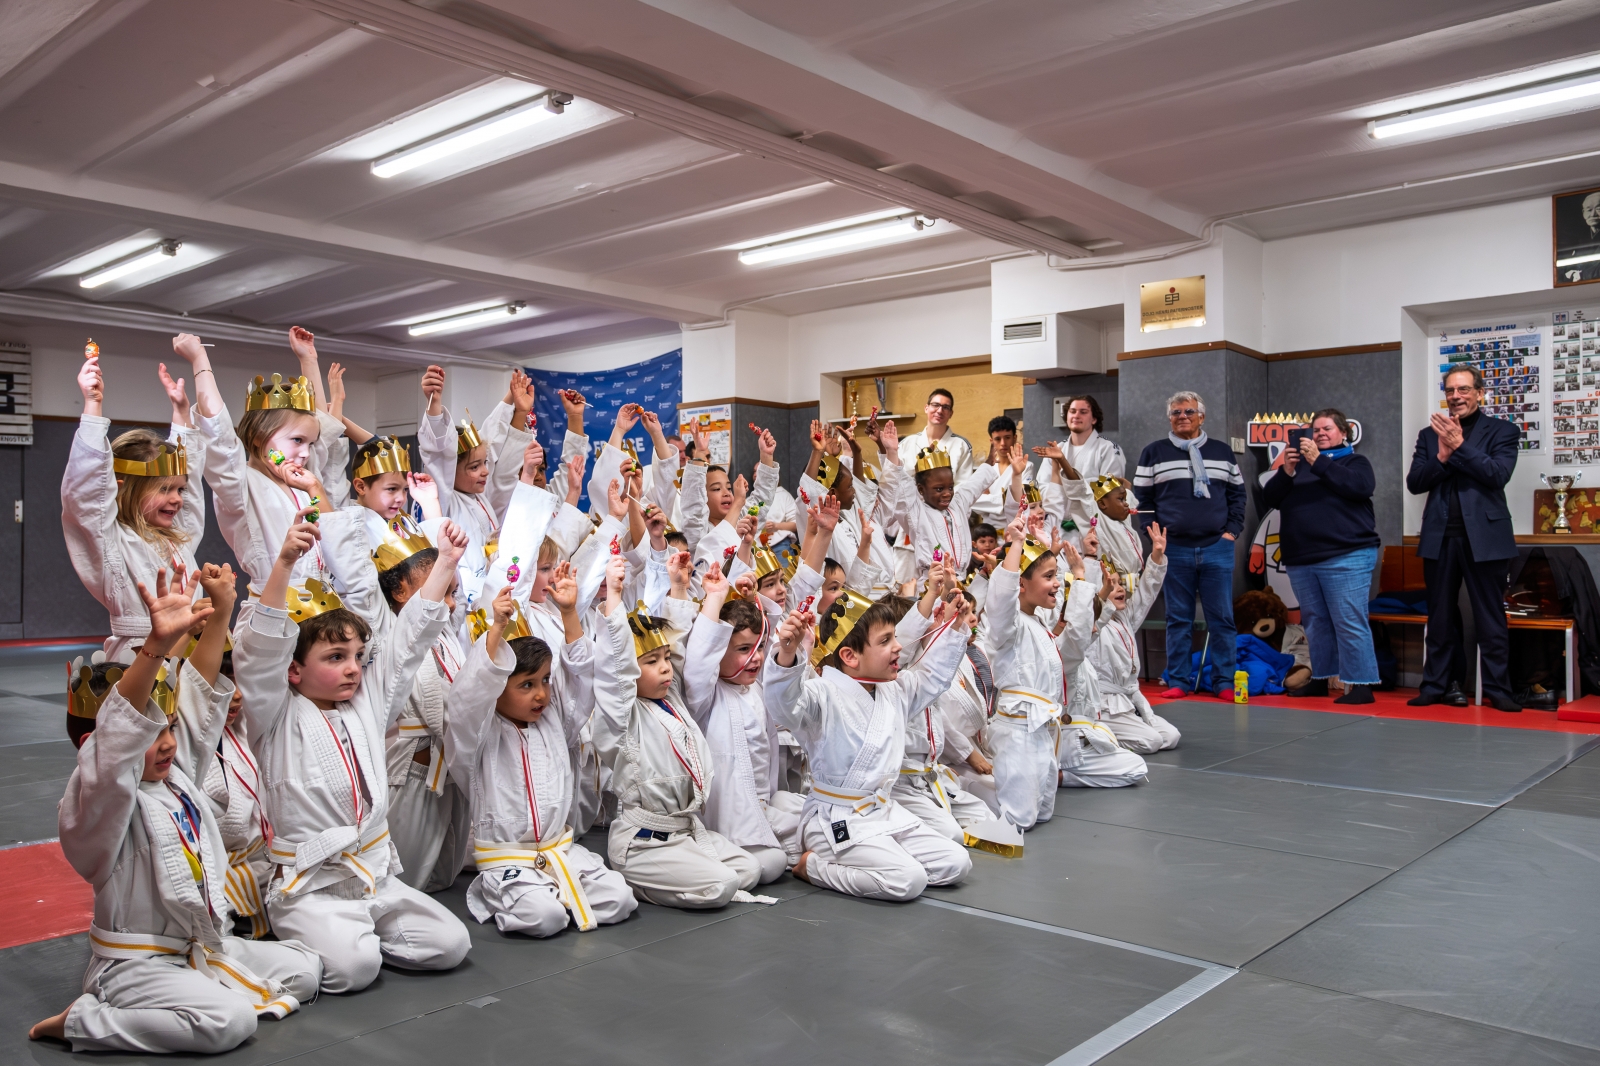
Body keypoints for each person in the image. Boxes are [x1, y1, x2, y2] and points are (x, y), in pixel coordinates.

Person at [33, 566, 321, 1053]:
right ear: (95, 748)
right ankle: (84, 1020)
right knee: (230, 1022)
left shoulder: (176, 777)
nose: (168, 742)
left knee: (306, 968)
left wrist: (221, 612)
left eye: (168, 727)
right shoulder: (97, 806)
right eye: (152, 734)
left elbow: (198, 700)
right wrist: (155, 648)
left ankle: (199, 989)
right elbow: (116, 742)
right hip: (136, 963)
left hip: (198, 947)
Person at [232, 510, 472, 993]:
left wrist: (446, 562)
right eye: (335, 658)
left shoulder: (368, 702)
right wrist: (283, 564)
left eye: (358, 657)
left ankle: (355, 933)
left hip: (373, 874)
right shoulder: (271, 713)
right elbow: (260, 654)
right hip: (311, 885)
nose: (352, 669)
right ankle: (313, 935)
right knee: (356, 969)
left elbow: (408, 641)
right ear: (293, 670)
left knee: (451, 944)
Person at [445, 584, 637, 936]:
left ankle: (551, 892)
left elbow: (579, 679)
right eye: (526, 685)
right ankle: (524, 896)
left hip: (559, 851)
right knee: (545, 918)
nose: (541, 695)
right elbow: (467, 698)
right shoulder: (477, 735)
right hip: (508, 859)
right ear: (496, 686)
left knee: (620, 899)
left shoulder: (554, 721)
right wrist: (497, 627)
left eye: (546, 680)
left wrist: (569, 613)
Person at [762, 589, 975, 902]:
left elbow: (932, 676)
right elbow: (784, 705)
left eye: (895, 637)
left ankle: (882, 857)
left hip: (882, 811)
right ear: (850, 656)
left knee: (957, 862)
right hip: (835, 819)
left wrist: (955, 626)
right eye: (886, 640)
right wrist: (787, 655)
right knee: (909, 879)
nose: (898, 646)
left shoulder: (895, 690)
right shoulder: (822, 693)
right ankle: (813, 866)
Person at [590, 555, 761, 909]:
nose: (666, 668)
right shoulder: (622, 715)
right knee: (723, 884)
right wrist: (615, 596)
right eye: (652, 662)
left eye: (665, 658)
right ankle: (636, 879)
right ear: (631, 671)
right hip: (644, 841)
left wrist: (679, 587)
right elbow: (614, 669)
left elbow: (680, 651)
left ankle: (684, 871)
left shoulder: (671, 699)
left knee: (750, 868)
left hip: (683, 830)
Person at [63, 336, 207, 665]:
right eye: (164, 489)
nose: (177, 500)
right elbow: (86, 494)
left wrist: (181, 415)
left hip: (191, 651)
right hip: (138, 655)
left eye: (179, 490)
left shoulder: (177, 538)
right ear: (122, 489)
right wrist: (92, 405)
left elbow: (193, 484)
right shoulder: (112, 542)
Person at [1405, 367, 1521, 712]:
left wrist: (1459, 446)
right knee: (1440, 617)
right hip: (1439, 537)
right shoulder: (1429, 435)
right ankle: (1435, 686)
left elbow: (1497, 475)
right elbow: (1415, 483)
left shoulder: (1503, 430)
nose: (1456, 396)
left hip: (1486, 537)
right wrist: (1442, 456)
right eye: (1450, 390)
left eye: (1464, 389)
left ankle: (1499, 690)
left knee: (1490, 617)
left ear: (1480, 393)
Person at [981, 507, 1096, 829]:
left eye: (1056, 575)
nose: (1057, 584)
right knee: (1020, 820)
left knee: (1041, 814)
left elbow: (1076, 643)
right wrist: (1016, 544)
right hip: (1017, 731)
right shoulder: (1006, 626)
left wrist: (1080, 580)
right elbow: (1001, 600)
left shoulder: (1039, 625)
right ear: (1020, 584)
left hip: (1043, 731)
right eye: (1048, 577)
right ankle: (962, 790)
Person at [1262, 410, 1382, 705]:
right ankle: (1320, 678)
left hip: (1347, 554)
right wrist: (1286, 471)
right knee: (1315, 622)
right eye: (1315, 430)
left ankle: (1362, 684)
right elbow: (1271, 499)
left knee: (1349, 620)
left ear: (1343, 432)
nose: (1320, 434)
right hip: (1302, 557)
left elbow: (1360, 487)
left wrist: (1318, 461)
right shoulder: (1297, 467)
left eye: (1327, 428)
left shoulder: (1354, 462)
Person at [1133, 392, 1245, 700]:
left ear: (1201, 417)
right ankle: (1179, 681)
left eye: (1189, 411)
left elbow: (1237, 495)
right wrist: (1154, 536)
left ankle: (1224, 682)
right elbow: (1142, 500)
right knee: (1178, 619)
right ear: (1169, 418)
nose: (1182, 416)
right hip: (1174, 549)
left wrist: (1232, 531)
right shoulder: (1153, 452)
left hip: (1217, 547)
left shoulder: (1222, 451)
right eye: (1176, 412)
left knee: (1222, 619)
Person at [1034, 395, 1128, 542]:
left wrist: (1064, 490)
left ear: (1094, 419)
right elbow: (1042, 490)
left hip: (1094, 530)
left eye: (1083, 412)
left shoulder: (1108, 449)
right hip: (1057, 529)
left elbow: (1110, 497)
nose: (1076, 415)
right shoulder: (1057, 450)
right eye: (1072, 411)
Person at [897, 388, 974, 484]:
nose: (940, 410)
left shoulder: (962, 445)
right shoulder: (906, 443)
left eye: (946, 407)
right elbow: (896, 480)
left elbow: (963, 486)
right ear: (926, 408)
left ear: (951, 413)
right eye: (935, 405)